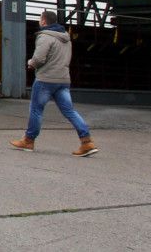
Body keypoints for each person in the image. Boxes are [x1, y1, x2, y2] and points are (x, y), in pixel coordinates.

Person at [10, 10, 98, 157]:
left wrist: (31, 63)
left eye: (40, 19)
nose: (39, 22)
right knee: (70, 111)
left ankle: (29, 140)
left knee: (36, 110)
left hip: (45, 79)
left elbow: (39, 58)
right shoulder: (66, 38)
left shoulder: (45, 36)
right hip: (63, 80)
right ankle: (86, 141)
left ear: (44, 21)